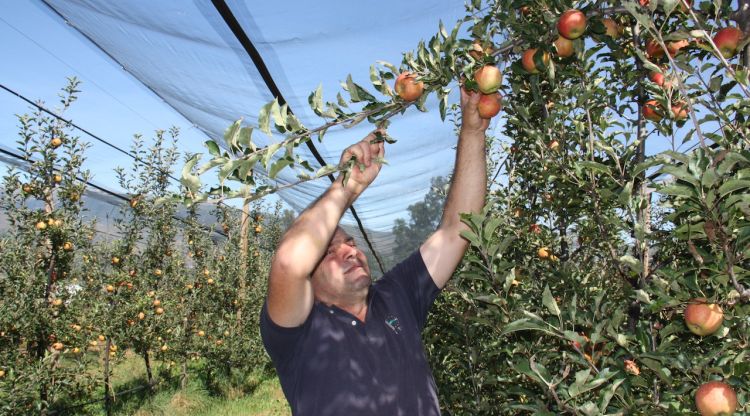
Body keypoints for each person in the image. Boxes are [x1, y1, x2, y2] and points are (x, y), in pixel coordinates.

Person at [260, 87, 489, 415]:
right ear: (307, 281)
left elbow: (458, 228)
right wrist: (346, 187)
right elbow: (288, 262)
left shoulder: (397, 295)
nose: (349, 252)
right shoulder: (298, 331)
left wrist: (473, 130)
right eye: (329, 252)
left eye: (350, 243)